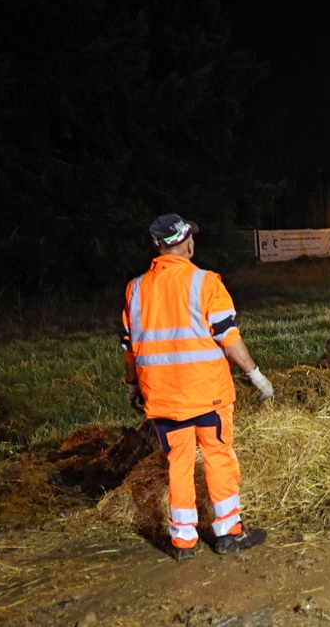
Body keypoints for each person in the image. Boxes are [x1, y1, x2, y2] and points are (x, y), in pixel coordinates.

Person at [120, 214, 274, 560]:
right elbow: (228, 337)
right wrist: (255, 375)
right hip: (208, 396)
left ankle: (183, 541)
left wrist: (132, 387)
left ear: (157, 246)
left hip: (163, 399)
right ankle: (228, 533)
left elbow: (130, 348)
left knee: (178, 463)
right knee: (219, 458)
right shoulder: (204, 283)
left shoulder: (136, 290)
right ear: (188, 244)